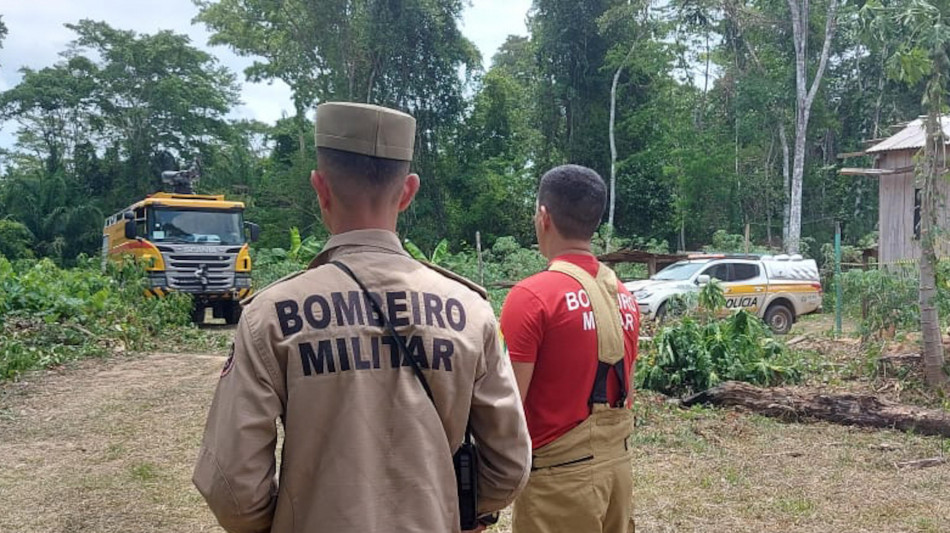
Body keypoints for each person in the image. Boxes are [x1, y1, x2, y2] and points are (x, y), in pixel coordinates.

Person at [193, 102, 532, 533]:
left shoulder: (270, 316)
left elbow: (233, 488)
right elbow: (510, 464)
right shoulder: (470, 311)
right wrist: (458, 511)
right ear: (408, 192)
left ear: (321, 188)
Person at [500, 164, 640, 533]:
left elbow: (508, 410)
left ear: (543, 217)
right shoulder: (622, 296)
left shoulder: (531, 297)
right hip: (617, 473)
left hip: (559, 485)